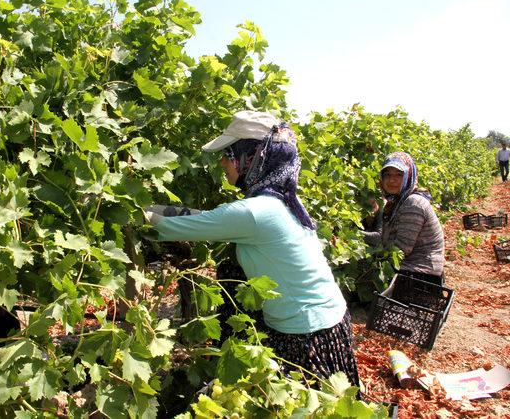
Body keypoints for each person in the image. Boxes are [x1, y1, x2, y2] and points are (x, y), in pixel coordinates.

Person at [145, 110, 360, 387]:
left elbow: (168, 228)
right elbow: (208, 218)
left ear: (252, 156)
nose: (223, 161)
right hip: (326, 323)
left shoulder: (255, 212)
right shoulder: (278, 201)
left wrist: (131, 210)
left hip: (307, 334)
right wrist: (155, 208)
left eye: (230, 153)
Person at [361, 152, 445, 285]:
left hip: (419, 275)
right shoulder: (396, 202)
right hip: (408, 270)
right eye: (387, 175)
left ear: (408, 176)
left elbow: (400, 250)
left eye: (399, 175)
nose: (392, 180)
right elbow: (382, 238)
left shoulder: (413, 203)